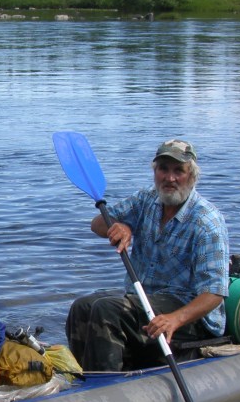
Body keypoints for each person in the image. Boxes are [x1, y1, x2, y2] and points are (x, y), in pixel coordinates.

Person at [66, 139, 229, 371]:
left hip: (188, 311)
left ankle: (106, 388)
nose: (169, 178)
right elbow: (97, 224)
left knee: (107, 310)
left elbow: (215, 292)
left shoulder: (207, 222)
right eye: (163, 169)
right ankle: (85, 376)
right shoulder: (147, 200)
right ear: (155, 172)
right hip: (144, 298)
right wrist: (121, 227)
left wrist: (175, 319)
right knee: (82, 307)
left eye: (178, 171)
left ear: (192, 176)